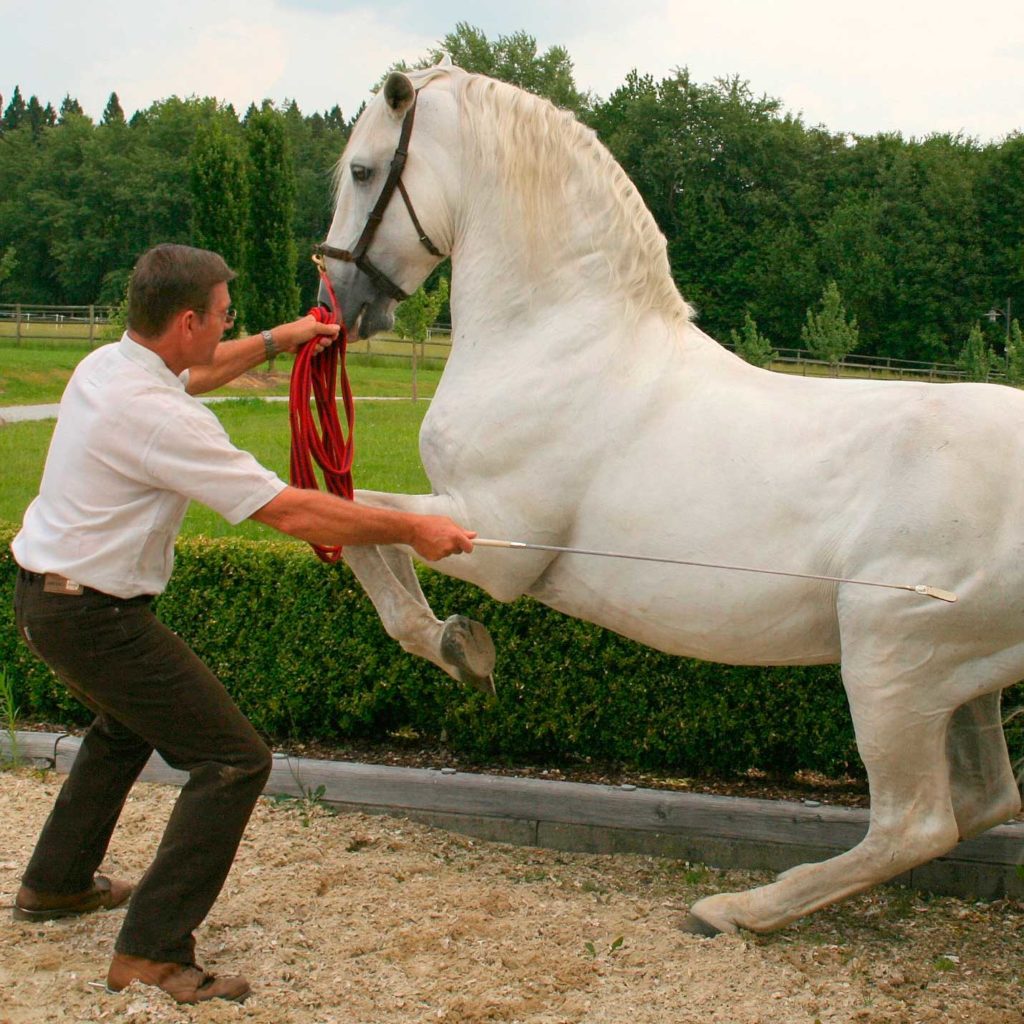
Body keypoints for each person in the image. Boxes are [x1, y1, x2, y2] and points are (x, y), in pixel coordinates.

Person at [10, 243, 475, 1004]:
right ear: (188, 319)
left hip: (51, 600)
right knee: (233, 761)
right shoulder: (160, 418)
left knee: (125, 726)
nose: (232, 326)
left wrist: (282, 340)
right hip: (92, 615)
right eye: (225, 316)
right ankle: (153, 954)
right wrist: (409, 529)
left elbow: (196, 371)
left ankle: (55, 885)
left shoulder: (111, 365)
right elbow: (286, 509)